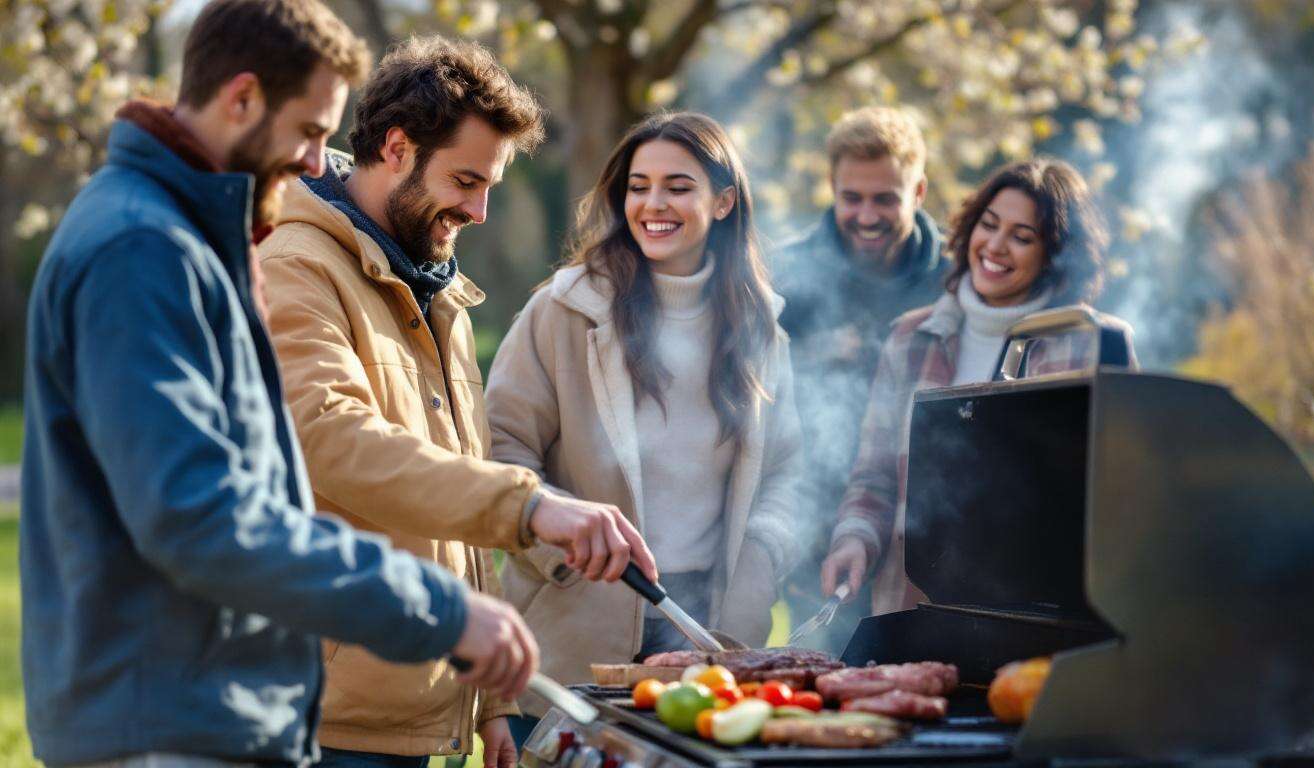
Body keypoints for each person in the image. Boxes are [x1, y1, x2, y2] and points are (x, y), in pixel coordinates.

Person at [19, 3, 540, 767]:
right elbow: (199, 515)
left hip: (214, 715)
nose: (314, 161)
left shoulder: (192, 240)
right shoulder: (142, 248)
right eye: (307, 131)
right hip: (161, 724)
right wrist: (438, 608)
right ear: (241, 99)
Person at [257, 36, 656, 768]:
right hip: (326, 721)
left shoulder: (438, 288)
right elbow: (332, 438)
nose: (478, 210)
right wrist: (533, 505)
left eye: (491, 187)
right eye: (466, 181)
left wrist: (493, 701)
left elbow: (456, 497)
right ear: (398, 146)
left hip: (423, 709)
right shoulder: (294, 266)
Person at [486, 111, 802, 738]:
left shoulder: (761, 329)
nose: (653, 204)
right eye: (638, 186)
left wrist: (756, 576)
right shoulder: (561, 309)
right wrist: (568, 548)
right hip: (570, 634)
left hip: (705, 639)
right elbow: (501, 449)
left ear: (723, 202)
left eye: (678, 187)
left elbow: (786, 478)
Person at [820, 157, 1137, 616]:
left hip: (1040, 615)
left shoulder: (1092, 344)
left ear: (1056, 254)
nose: (996, 246)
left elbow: (1118, 497)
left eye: (1022, 237)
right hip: (911, 608)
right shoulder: (911, 338)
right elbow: (874, 477)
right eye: (989, 225)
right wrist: (854, 540)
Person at [772, 106, 948, 650]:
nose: (867, 215)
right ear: (832, 186)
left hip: (929, 524)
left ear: (917, 192)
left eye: (885, 199)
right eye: (852, 198)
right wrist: (813, 355)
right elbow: (749, 389)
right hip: (815, 524)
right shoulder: (785, 274)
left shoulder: (957, 279)